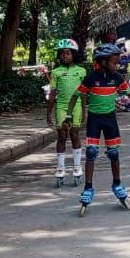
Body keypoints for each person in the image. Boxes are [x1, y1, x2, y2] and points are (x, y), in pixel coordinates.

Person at [69, 44, 130, 212]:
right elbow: (76, 95)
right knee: (91, 152)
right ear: (103, 62)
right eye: (114, 62)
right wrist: (69, 115)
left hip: (110, 119)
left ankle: (117, 184)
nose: (117, 65)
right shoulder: (90, 78)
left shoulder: (117, 78)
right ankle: (88, 188)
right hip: (94, 120)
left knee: (113, 153)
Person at [46, 38, 86, 188]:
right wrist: (48, 112)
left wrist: (84, 110)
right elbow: (52, 93)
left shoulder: (81, 71)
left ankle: (77, 166)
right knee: (62, 135)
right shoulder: (56, 72)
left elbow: (83, 93)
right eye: (62, 53)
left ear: (74, 54)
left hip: (76, 106)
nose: (65, 56)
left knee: (75, 134)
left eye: (68, 53)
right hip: (61, 106)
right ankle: (60, 167)